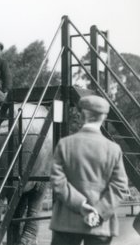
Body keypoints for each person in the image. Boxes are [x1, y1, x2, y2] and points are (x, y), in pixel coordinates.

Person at [49, 95, 129, 245]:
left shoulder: (64, 144)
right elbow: (120, 187)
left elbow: (57, 181)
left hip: (66, 223)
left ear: (82, 115)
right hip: (100, 225)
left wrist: (81, 204)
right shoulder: (113, 149)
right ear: (103, 117)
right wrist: (98, 211)